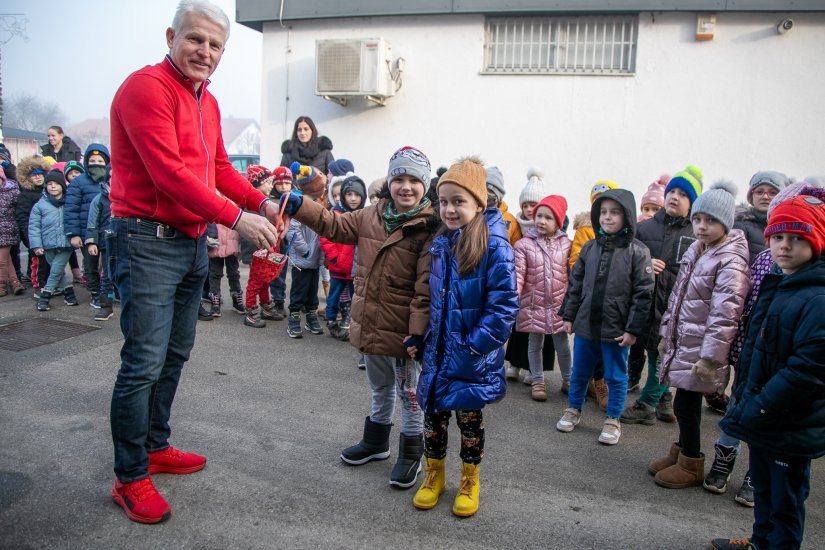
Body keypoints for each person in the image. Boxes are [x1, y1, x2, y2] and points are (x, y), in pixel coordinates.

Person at [107, 0, 283, 524]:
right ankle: (129, 475)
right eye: (195, 40)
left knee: (175, 353)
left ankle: (156, 445)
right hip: (146, 241)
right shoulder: (146, 88)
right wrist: (237, 217)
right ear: (171, 36)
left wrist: (262, 202)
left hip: (188, 242)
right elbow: (170, 176)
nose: (204, 52)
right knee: (142, 363)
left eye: (215, 45)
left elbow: (219, 168)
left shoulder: (207, 100)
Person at [280, 145, 439, 489]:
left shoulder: (429, 227)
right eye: (399, 178)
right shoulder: (371, 214)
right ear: (390, 182)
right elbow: (333, 225)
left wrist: (417, 334)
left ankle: (411, 451)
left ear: (425, 185)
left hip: (404, 332)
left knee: (410, 394)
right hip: (370, 321)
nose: (406, 187)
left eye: (414, 180)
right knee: (379, 387)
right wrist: (299, 205)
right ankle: (376, 441)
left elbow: (425, 289)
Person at [711, 195, 825, 550]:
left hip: (788, 422)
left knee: (785, 502)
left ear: (816, 242)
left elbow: (808, 369)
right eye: (778, 237)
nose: (785, 246)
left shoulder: (817, 297)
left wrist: (758, 406)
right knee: (763, 488)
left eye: (797, 238)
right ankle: (760, 542)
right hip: (763, 415)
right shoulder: (781, 282)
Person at [410, 157, 517, 517]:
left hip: (471, 356)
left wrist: (474, 346)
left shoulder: (494, 245)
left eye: (459, 201)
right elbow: (434, 298)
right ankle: (434, 475)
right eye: (444, 201)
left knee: (469, 423)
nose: (450, 209)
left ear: (478, 203)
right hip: (439, 353)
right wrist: (421, 338)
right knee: (433, 419)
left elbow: (504, 307)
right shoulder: (442, 242)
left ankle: (470, 479)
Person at [649, 182, 751, 489]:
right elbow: (678, 297)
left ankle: (692, 462)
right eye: (698, 220)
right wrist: (667, 332)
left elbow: (725, 315)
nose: (702, 226)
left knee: (686, 405)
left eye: (710, 221)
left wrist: (711, 359)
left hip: (702, 349)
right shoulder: (697, 249)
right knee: (684, 403)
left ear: (726, 224)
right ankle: (681, 452)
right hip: (686, 340)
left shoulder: (730, 260)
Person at [555, 188, 653, 446]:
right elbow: (575, 284)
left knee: (615, 375)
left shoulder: (638, 252)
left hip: (617, 329)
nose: (608, 218)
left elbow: (643, 295)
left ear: (628, 217)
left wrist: (632, 329)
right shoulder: (589, 248)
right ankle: (573, 408)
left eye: (615, 212)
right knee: (580, 372)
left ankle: (613, 419)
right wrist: (569, 314)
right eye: (604, 212)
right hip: (586, 324)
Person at [622, 166, 703, 423]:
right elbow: (628, 256)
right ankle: (664, 399)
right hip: (646, 301)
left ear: (692, 204)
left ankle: (646, 404)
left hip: (673, 305)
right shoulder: (644, 229)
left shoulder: (694, 234)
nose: (675, 197)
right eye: (672, 192)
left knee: (660, 351)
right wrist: (648, 261)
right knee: (650, 349)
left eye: (683, 194)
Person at [566, 179, 621, 410]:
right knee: (586, 343)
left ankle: (599, 380)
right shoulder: (585, 230)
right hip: (590, 294)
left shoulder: (623, 237)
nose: (605, 213)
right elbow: (574, 260)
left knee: (604, 344)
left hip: (610, 300)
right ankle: (591, 382)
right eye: (598, 203)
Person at [514, 194, 572, 400]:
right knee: (534, 343)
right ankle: (537, 380)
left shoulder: (567, 245)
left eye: (548, 217)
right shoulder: (523, 245)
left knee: (562, 344)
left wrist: (573, 303)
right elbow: (518, 275)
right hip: (532, 303)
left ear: (558, 221)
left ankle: (568, 379)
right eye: (539, 216)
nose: (541, 221)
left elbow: (572, 273)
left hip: (559, 303)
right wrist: (514, 298)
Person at [321, 174, 366, 340]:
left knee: (356, 299)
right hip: (338, 267)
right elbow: (325, 238)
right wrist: (335, 258)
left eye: (357, 195)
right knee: (333, 297)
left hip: (356, 269)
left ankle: (351, 325)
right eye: (349, 194)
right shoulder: (335, 214)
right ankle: (331, 322)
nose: (353, 199)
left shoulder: (365, 216)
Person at [65, 143, 110, 308]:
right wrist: (73, 234)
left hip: (106, 231)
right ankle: (95, 293)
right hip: (86, 232)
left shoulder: (111, 179)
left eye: (100, 160)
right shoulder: (78, 182)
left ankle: (108, 291)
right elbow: (71, 209)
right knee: (90, 264)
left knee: (107, 264)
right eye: (92, 160)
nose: (96, 163)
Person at [285, 163, 327, 337]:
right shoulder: (299, 203)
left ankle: (311, 317)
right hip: (303, 259)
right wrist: (305, 250)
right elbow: (293, 230)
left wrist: (319, 255)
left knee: (312, 291)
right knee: (298, 291)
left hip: (315, 259)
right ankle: (293, 320)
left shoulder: (320, 205)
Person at [28, 171, 79, 310]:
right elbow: (33, 227)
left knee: (55, 270)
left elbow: (76, 219)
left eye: (56, 184)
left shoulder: (70, 202)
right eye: (49, 184)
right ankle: (69, 293)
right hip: (47, 244)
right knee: (58, 271)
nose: (53, 186)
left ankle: (45, 296)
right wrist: (36, 245)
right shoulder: (40, 205)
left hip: (66, 243)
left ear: (62, 185)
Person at [15, 156, 53, 294]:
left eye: (40, 174)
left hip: (50, 234)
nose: (38, 178)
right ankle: (38, 286)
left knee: (50, 263)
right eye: (34, 175)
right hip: (35, 235)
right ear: (28, 178)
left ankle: (50, 284)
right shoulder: (24, 196)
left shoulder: (50, 192)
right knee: (37, 263)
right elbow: (23, 219)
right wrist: (30, 240)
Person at [734, 170, 789, 264]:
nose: (765, 197)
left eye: (772, 193)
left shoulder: (789, 226)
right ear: (751, 197)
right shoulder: (740, 226)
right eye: (759, 192)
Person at [85, 165, 115, 321]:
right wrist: (92, 243)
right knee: (107, 276)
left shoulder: (130, 197)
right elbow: (92, 223)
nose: (114, 179)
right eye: (110, 176)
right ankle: (106, 305)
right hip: (107, 243)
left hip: (126, 242)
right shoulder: (99, 199)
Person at [267, 166, 293, 321]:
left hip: (290, 242)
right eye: (280, 183)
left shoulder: (295, 199)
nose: (284, 186)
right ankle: (275, 301)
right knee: (274, 274)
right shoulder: (270, 201)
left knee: (283, 273)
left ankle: (280, 300)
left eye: (287, 183)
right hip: (274, 241)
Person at [0, 165, 24, 296]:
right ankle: (15, 283)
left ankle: (1, 285)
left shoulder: (11, 191)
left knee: (1, 261)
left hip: (7, 229)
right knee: (6, 259)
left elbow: (18, 209)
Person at [484, 166, 522, 245]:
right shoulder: (472, 215)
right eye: (483, 190)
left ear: (498, 195)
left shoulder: (511, 221)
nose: (486, 194)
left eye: (490, 191)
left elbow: (516, 249)